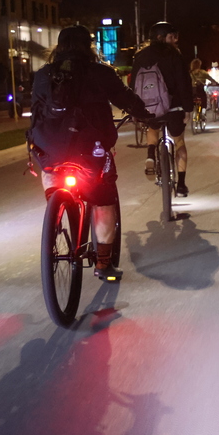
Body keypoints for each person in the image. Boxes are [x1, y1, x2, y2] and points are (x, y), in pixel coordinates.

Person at [29, 25, 152, 281]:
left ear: (59, 47)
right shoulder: (100, 73)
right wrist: (145, 115)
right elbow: (125, 99)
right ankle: (103, 264)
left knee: (50, 171)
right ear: (89, 47)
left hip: (50, 147)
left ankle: (56, 210)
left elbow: (36, 112)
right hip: (89, 149)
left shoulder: (42, 75)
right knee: (103, 202)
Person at [131, 22, 194, 197]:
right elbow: (184, 83)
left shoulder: (140, 56)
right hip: (174, 107)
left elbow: (133, 83)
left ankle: (151, 154)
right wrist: (188, 108)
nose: (175, 40)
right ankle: (181, 185)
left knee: (153, 126)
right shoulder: (175, 55)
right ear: (160, 37)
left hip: (150, 107)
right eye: (171, 37)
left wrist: (135, 109)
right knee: (179, 142)